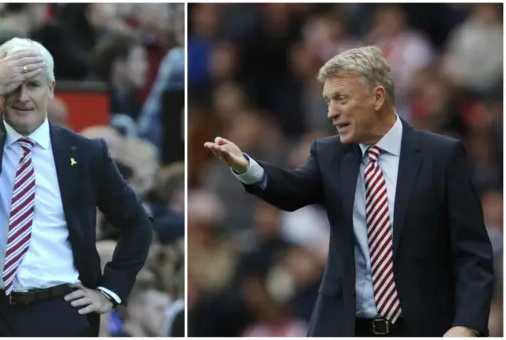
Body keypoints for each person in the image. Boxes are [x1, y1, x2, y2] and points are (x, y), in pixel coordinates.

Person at [204, 46, 494, 337]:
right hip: (344, 329)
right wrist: (247, 167)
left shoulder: (441, 156)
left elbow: (472, 253)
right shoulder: (329, 154)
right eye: (329, 101)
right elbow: (291, 190)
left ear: (378, 97)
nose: (331, 112)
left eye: (341, 99)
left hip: (423, 328)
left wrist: (467, 324)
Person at [0, 37, 153, 336]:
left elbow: (137, 223)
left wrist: (109, 292)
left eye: (33, 85)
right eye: (11, 85)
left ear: (51, 89)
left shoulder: (86, 153)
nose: (22, 97)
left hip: (57, 310)